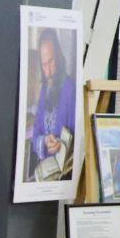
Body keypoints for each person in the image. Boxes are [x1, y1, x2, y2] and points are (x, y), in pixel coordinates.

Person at [27, 29, 75, 182]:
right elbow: (35, 135)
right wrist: (44, 141)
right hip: (46, 172)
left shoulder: (70, 89)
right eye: (44, 65)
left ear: (59, 57)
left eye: (51, 62)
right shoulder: (44, 89)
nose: (48, 71)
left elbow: (75, 140)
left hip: (64, 178)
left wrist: (61, 145)